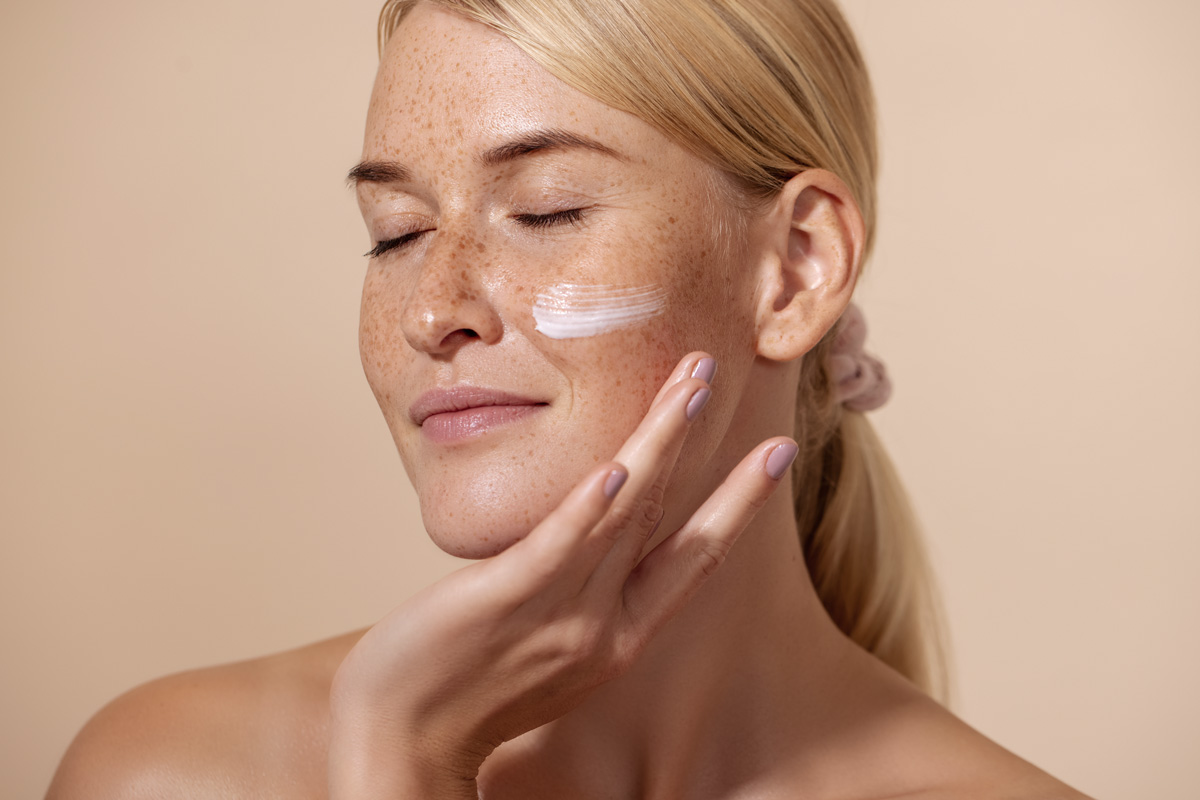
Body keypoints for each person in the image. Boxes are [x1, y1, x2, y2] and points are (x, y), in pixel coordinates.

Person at [47, 1, 1091, 797]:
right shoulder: (173, 772)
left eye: (545, 210)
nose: (432, 309)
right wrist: (401, 754)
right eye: (397, 230)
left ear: (797, 269)